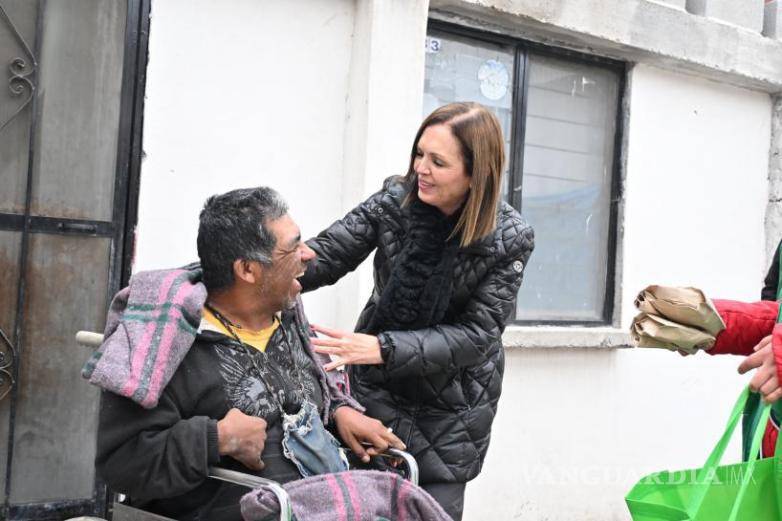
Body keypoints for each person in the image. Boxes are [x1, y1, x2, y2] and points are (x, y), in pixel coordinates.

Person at [95, 187, 403, 521]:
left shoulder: (288, 320)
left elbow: (303, 401)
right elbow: (123, 463)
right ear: (248, 270)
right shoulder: (166, 343)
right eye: (293, 247)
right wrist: (216, 439)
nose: (309, 254)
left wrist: (339, 412)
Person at [299, 102, 535, 520]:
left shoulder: (510, 237)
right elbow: (329, 253)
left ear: (474, 172)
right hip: (375, 394)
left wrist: (383, 348)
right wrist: (249, 268)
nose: (421, 169)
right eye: (418, 154)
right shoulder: (396, 199)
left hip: (452, 411)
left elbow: (478, 336)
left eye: (438, 161)